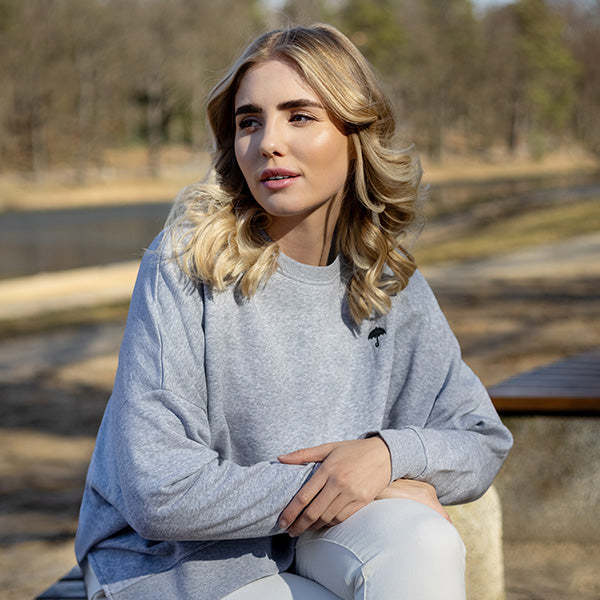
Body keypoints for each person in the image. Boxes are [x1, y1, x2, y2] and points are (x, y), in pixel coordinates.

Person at [75, 23, 512, 600]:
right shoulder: (186, 262)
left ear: (355, 134)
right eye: (249, 121)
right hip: (175, 563)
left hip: (306, 538)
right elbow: (158, 491)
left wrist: (386, 456)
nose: (268, 143)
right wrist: (348, 482)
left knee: (423, 540)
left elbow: (481, 437)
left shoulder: (385, 282)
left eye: (300, 116)